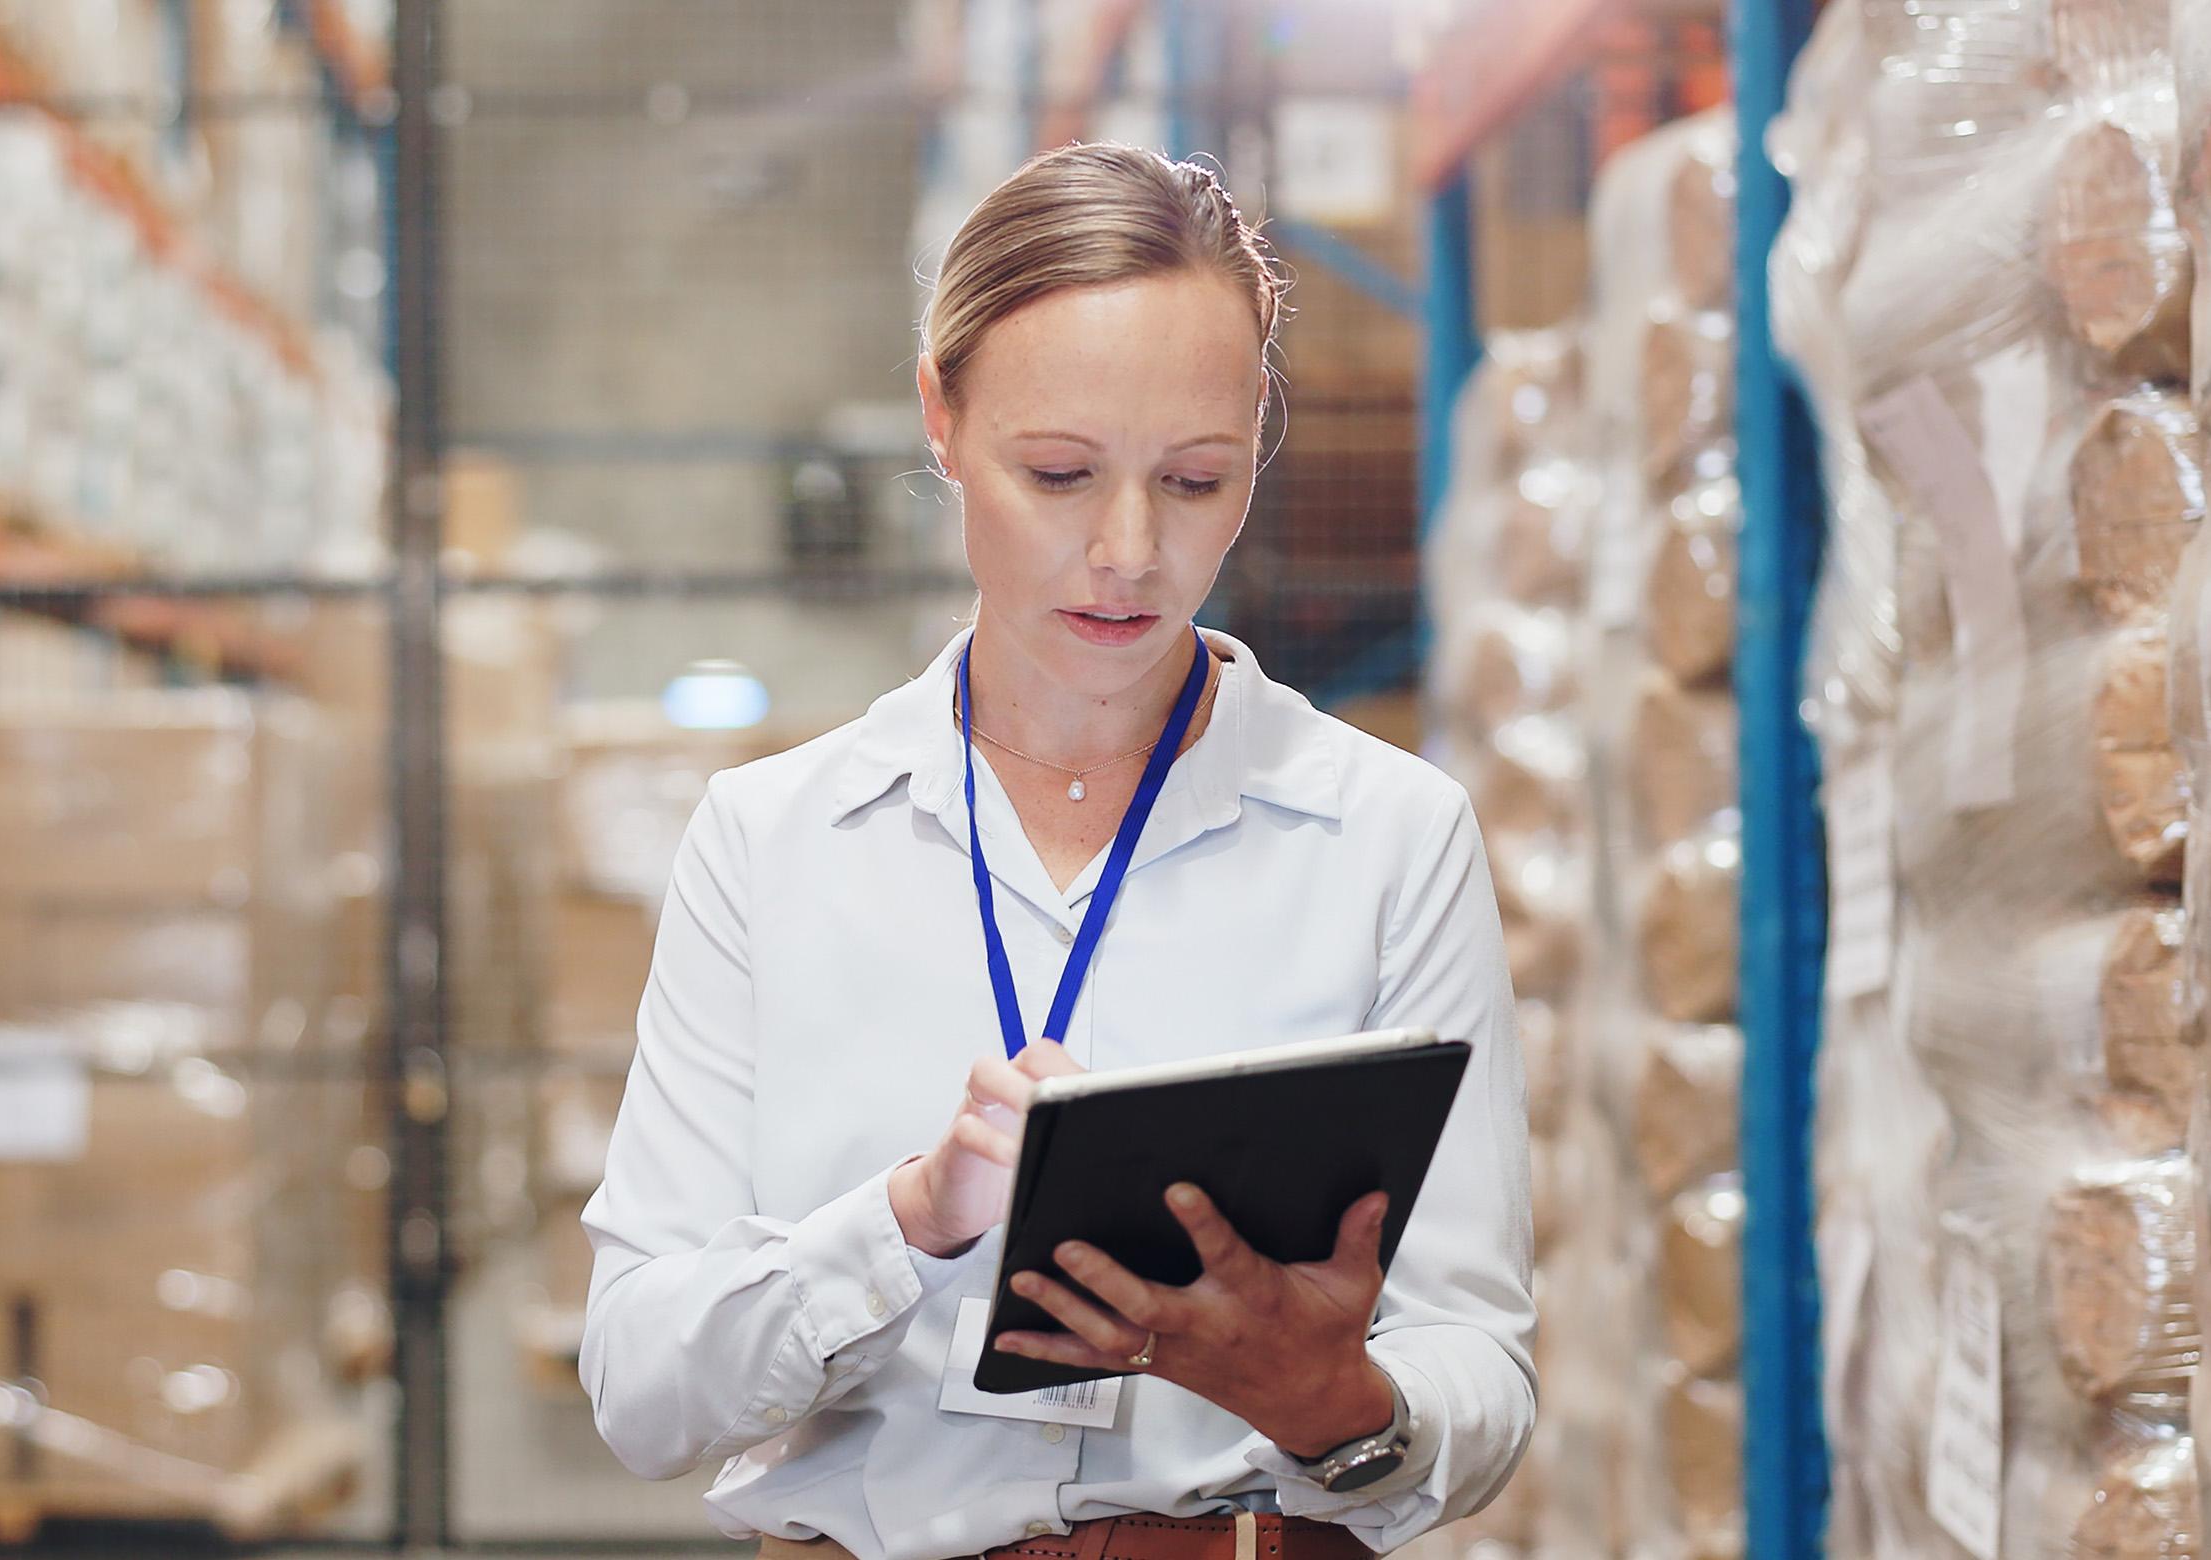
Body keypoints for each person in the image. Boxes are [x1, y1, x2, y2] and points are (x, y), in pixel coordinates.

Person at [577, 143, 1535, 1560]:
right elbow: (643, 1390)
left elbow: (1483, 1373)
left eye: (1197, 481)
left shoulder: (1386, 836)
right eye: (1062, 474)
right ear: (941, 419)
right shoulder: (774, 845)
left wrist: (1339, 1402)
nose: (1130, 552)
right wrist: (907, 1224)